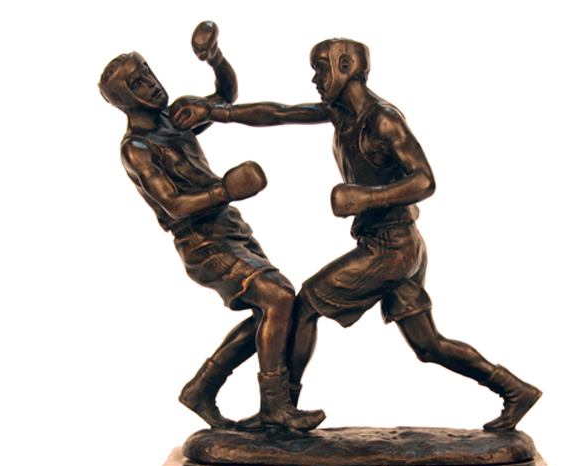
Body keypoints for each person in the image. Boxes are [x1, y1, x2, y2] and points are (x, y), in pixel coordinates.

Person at [170, 38, 541, 430]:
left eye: (320, 69)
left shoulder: (382, 119)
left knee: (304, 305)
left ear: (345, 66)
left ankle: (280, 411)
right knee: (429, 346)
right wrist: (217, 112)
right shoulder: (341, 112)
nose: (315, 79)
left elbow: (425, 180)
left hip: (391, 248)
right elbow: (280, 112)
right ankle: (515, 389)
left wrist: (367, 196)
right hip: (399, 246)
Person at [98, 49, 325, 431]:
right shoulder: (136, 148)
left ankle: (201, 389)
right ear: (123, 99)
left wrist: (215, 57)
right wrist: (226, 190)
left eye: (148, 73)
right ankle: (275, 406)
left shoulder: (173, 118)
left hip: (230, 228)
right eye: (138, 83)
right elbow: (173, 204)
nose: (151, 84)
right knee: (279, 297)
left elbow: (224, 97)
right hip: (200, 241)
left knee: (271, 311)